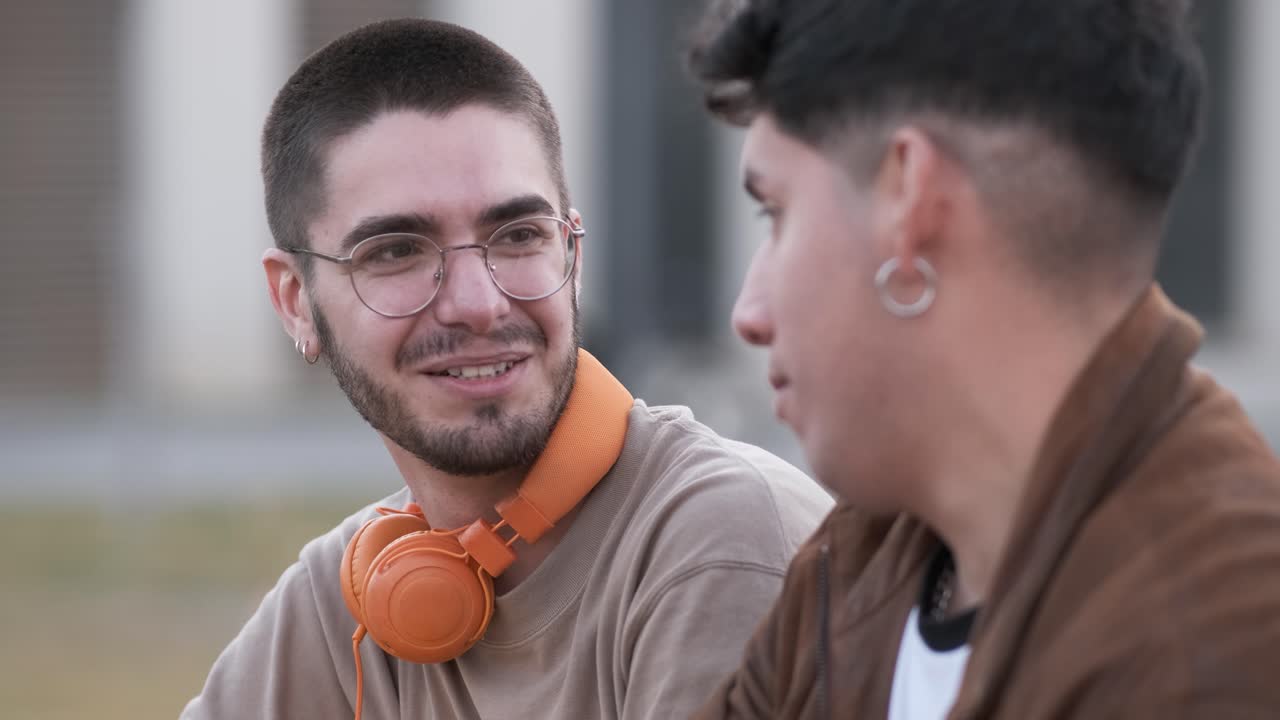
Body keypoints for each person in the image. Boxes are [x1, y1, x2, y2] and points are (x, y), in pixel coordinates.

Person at [180, 18, 832, 720]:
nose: (479, 304)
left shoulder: (721, 542)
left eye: (518, 236)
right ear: (295, 302)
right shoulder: (346, 599)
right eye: (397, 251)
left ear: (572, 258)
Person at [686, 0, 1280, 717]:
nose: (748, 313)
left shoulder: (1213, 640)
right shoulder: (859, 561)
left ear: (910, 199)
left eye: (775, 212)